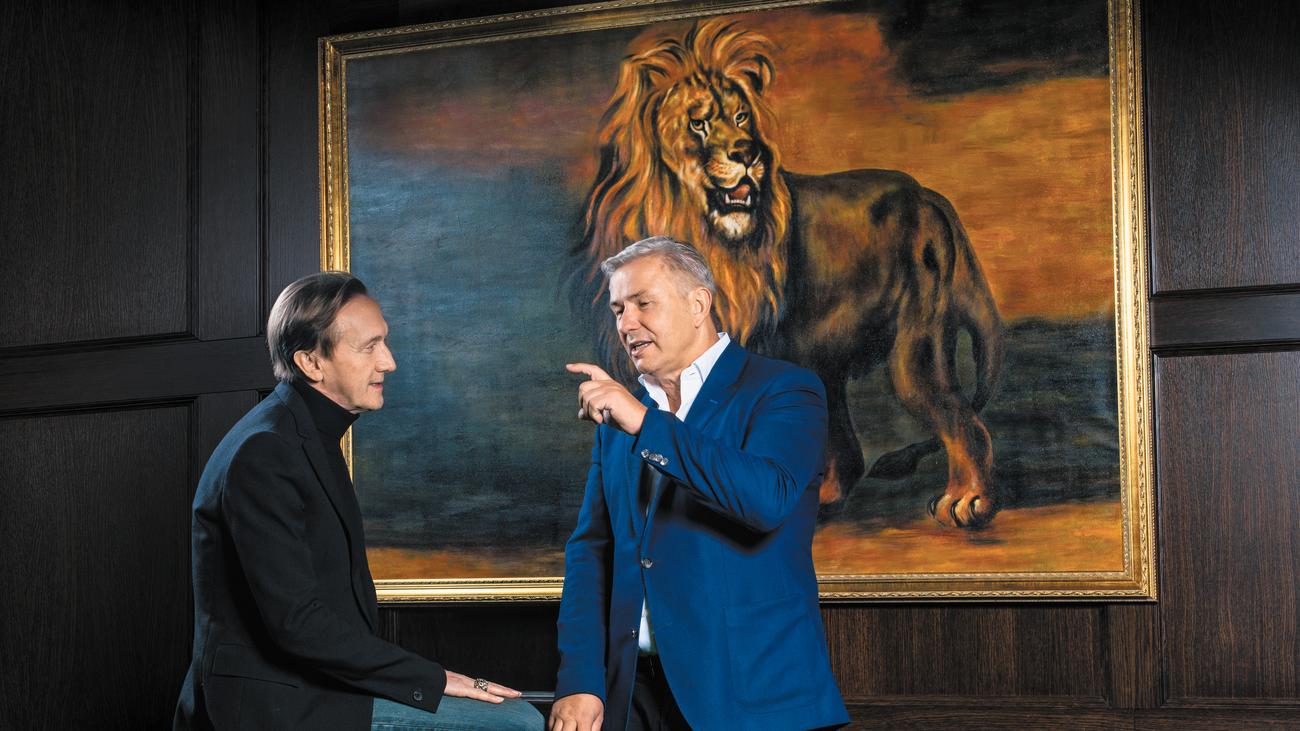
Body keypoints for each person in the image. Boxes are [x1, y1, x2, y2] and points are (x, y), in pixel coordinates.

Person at [174, 271, 543, 730]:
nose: (389, 362)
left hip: (319, 687)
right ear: (312, 363)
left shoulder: (302, 434)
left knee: (517, 715)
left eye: (384, 342)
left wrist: (425, 679)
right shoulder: (265, 451)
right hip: (277, 707)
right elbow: (297, 624)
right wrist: (433, 679)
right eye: (369, 347)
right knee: (520, 724)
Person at [550, 237, 849, 730]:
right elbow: (592, 551)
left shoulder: (784, 389)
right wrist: (580, 679)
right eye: (619, 309)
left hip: (751, 698)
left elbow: (765, 498)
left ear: (697, 304)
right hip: (632, 696)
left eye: (643, 303)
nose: (626, 324)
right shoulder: (621, 418)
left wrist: (645, 424)